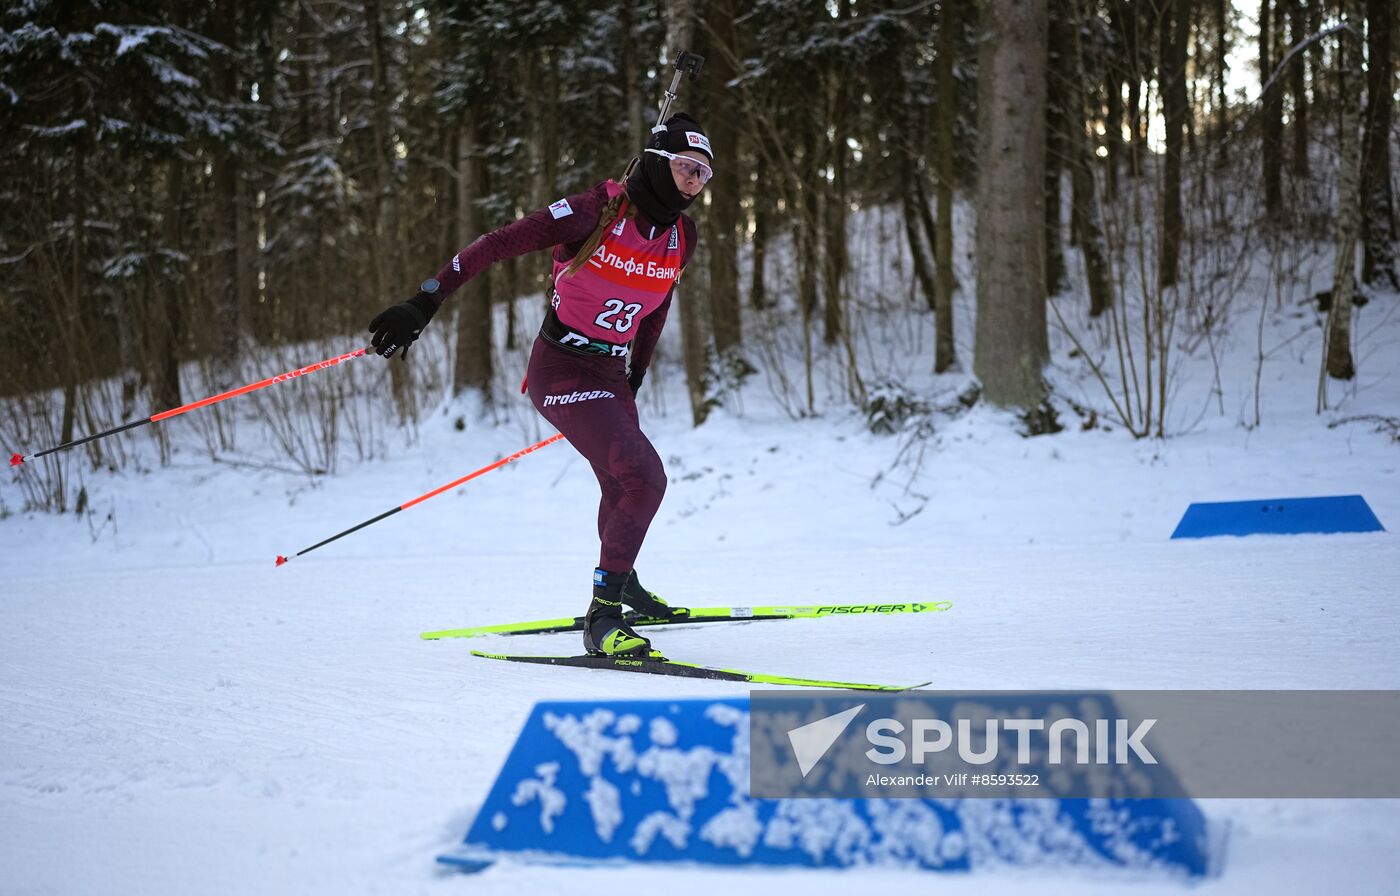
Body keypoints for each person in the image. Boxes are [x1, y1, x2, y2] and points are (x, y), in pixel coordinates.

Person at [367, 113, 714, 659]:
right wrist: (425, 299)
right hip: (562, 369)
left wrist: (637, 372)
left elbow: (658, 300)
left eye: (702, 174)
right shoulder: (592, 211)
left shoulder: (680, 235)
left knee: (621, 485)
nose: (693, 182)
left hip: (611, 372)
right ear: (656, 162)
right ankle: (604, 620)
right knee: (645, 478)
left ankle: (625, 586)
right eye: (685, 167)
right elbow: (497, 243)